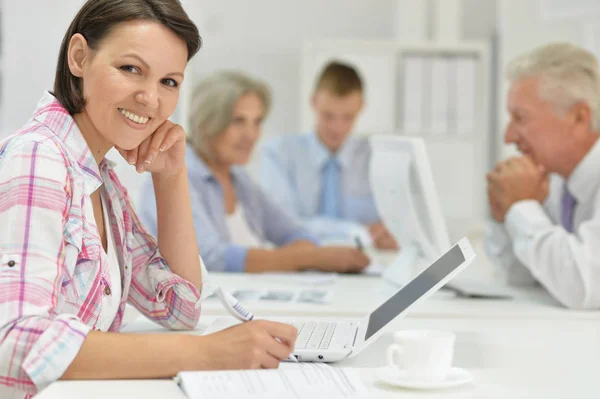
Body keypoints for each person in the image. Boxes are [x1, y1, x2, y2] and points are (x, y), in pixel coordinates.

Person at [0, 2, 297, 398]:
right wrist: (207, 353)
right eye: (131, 69)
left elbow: (180, 308)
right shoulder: (39, 157)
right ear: (79, 58)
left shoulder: (99, 176)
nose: (150, 99)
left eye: (169, 82)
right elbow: (17, 342)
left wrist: (171, 176)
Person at [139, 71, 370, 273]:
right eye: (238, 121)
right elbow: (209, 257)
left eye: (257, 121)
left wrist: (301, 254)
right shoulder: (177, 174)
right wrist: (308, 258)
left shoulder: (239, 179)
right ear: (207, 123)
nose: (252, 135)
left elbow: (294, 232)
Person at [485, 42, 600, 310]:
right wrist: (506, 215)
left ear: (578, 117)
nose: (509, 136)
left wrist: (522, 207)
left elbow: (586, 286)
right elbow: (520, 276)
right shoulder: (557, 178)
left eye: (521, 118)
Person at [259, 61, 398, 250]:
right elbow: (283, 225)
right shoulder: (279, 153)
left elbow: (394, 222)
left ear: (361, 107)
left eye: (348, 117)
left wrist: (392, 233)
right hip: (297, 263)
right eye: (328, 116)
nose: (337, 128)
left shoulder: (378, 157)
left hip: (366, 264)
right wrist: (355, 230)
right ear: (314, 101)